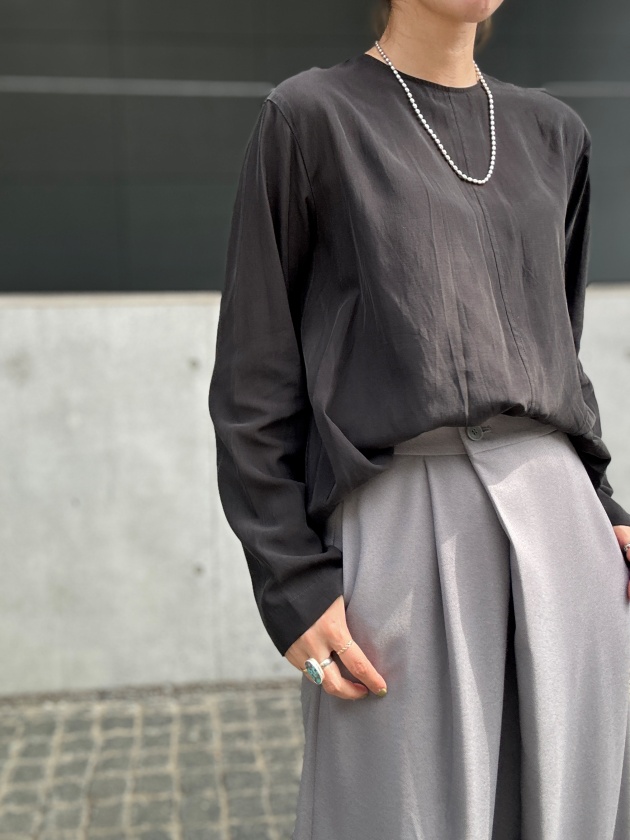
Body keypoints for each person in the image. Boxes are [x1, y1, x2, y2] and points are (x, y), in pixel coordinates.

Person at [208, 0, 630, 836]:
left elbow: (556, 350)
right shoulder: (310, 119)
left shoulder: (555, 135)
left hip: (564, 529)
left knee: (572, 811)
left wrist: (604, 504)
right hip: (402, 523)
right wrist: (291, 582)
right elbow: (255, 377)